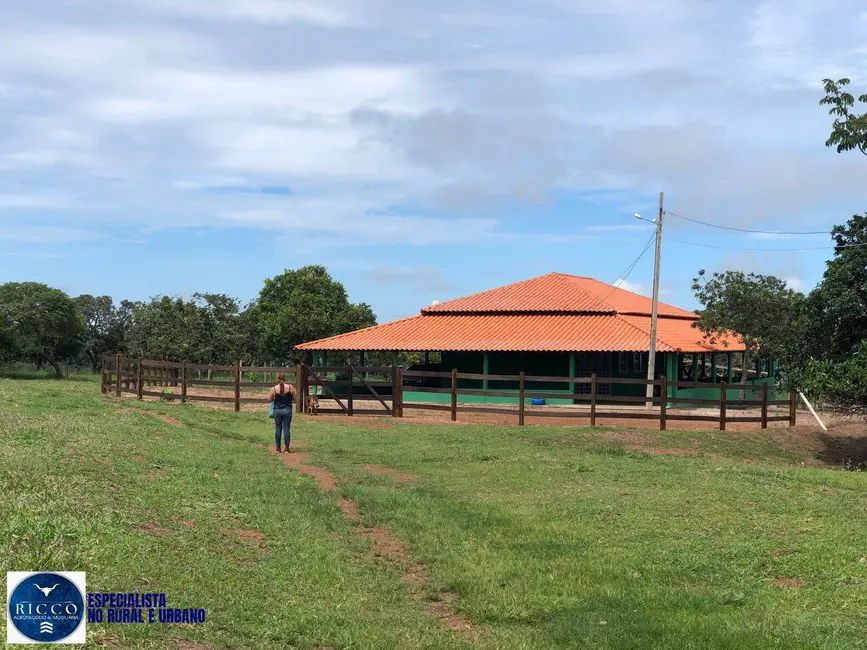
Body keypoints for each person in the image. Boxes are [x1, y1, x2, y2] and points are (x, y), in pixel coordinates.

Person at [268, 373, 295, 453]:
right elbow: (295, 398)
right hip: (287, 410)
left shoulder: (274, 388)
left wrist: (274, 398)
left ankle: (278, 448)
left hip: (277, 410)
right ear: (285, 378)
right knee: (286, 428)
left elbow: (269, 400)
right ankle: (286, 448)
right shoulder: (290, 387)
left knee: (278, 428)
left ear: (277, 379)